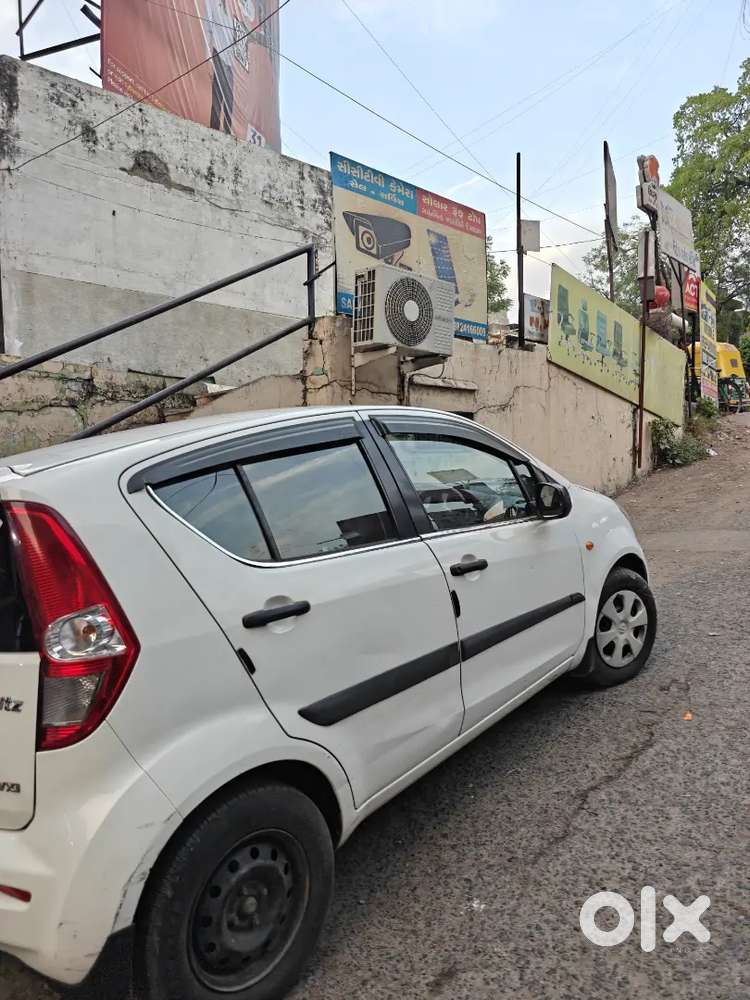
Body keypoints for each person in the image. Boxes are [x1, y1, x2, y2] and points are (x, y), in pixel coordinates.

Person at [202, 0, 243, 133]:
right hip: (218, 54)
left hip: (229, 63)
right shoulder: (212, 3)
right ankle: (213, 131)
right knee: (217, 99)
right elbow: (207, 29)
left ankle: (227, 134)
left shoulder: (230, 14)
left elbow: (234, 42)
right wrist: (208, 58)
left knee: (229, 102)